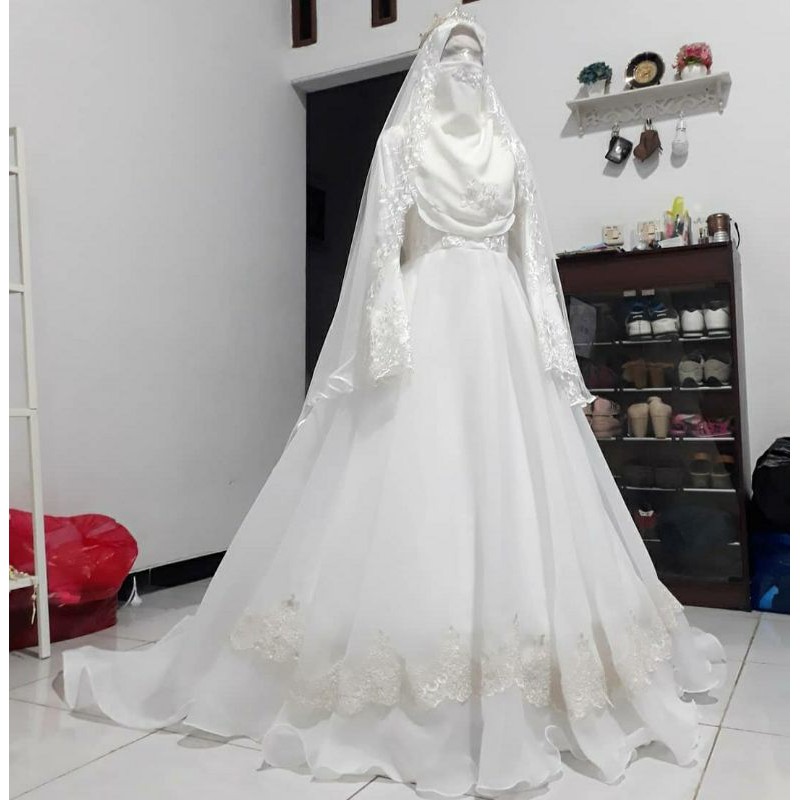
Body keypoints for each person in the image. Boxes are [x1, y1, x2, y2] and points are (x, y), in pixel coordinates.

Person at [63, 9, 725, 797]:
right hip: (422, 325)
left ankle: (535, 662)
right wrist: (382, 346)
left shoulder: (511, 149)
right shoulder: (401, 143)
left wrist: (553, 352)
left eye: (478, 56)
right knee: (417, 483)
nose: (468, 68)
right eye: (455, 55)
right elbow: (378, 253)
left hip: (502, 331)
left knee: (511, 482)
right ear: (430, 65)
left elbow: (532, 259)